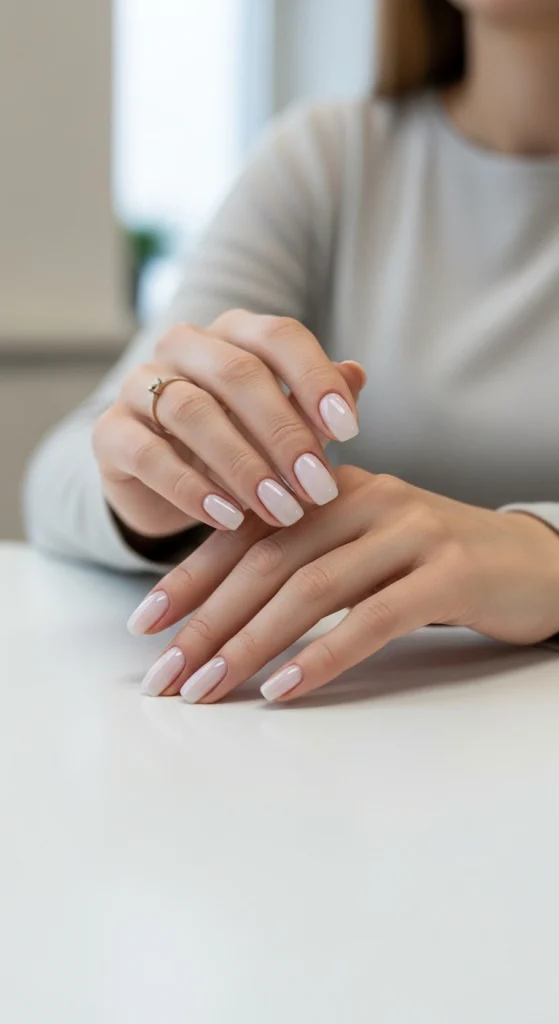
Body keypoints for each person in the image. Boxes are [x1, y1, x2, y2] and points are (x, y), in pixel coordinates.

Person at [25, 0, 559, 704]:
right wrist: (154, 485)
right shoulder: (330, 158)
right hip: (361, 736)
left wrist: (540, 551)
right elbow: (62, 473)